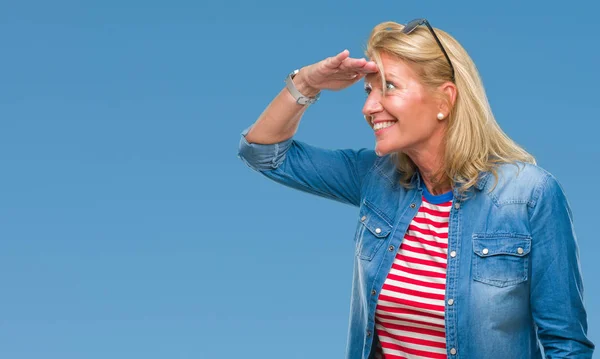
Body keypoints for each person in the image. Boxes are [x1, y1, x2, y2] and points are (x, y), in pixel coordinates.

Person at [237, 18, 595, 359]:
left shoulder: (529, 196)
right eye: (368, 90)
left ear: (444, 100)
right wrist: (308, 82)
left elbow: (567, 346)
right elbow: (263, 153)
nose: (368, 106)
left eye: (389, 87)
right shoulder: (375, 177)